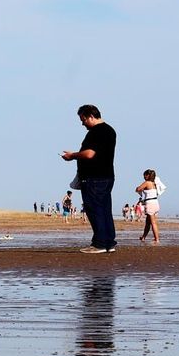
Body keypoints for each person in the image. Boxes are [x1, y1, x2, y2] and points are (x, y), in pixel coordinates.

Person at [61, 104, 117, 253]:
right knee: (105, 209)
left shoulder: (95, 132)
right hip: (107, 176)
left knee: (94, 209)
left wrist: (72, 155)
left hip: (94, 177)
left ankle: (99, 244)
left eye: (83, 119)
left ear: (91, 116)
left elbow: (89, 154)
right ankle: (108, 243)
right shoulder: (110, 130)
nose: (82, 123)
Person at [134, 169, 162, 244]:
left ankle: (157, 239)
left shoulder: (147, 183)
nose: (143, 177)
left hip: (150, 204)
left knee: (153, 223)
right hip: (156, 203)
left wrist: (137, 188)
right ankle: (143, 237)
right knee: (148, 222)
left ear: (148, 176)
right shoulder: (154, 183)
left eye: (144, 175)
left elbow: (138, 189)